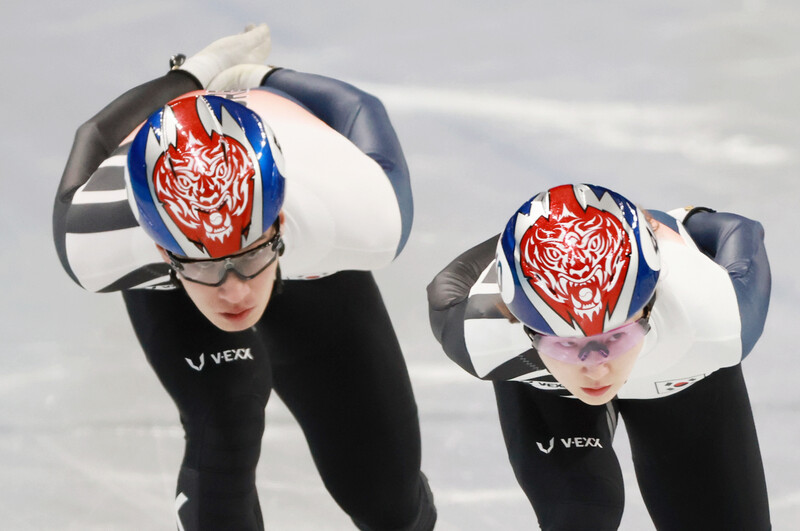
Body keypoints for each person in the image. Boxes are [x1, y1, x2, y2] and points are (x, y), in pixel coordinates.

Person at [53, 24, 435, 531]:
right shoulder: (100, 240)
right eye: (206, 264)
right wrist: (193, 75)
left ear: (278, 222)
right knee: (225, 424)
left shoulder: (357, 212)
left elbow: (359, 109)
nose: (233, 290)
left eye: (250, 258)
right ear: (159, 245)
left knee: (387, 499)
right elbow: (97, 137)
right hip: (187, 271)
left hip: (299, 228)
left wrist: (263, 76)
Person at [427, 183, 771, 530]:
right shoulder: (487, 336)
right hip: (547, 380)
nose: (596, 368)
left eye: (617, 337)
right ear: (525, 327)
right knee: (580, 513)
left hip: (676, 362)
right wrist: (525, 244)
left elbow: (740, 230)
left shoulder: (711, 318)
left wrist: (685, 223)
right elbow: (447, 288)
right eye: (566, 344)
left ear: (649, 307)